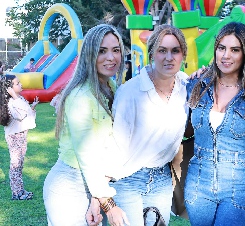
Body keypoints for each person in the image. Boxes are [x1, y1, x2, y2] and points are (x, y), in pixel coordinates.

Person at [185, 22, 245, 225]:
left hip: (239, 185)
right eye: (221, 48)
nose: (226, 55)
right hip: (198, 183)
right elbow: (183, 131)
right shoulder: (196, 85)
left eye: (235, 50)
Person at [43, 24, 128, 225]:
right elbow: (87, 155)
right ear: (89, 54)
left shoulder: (110, 87)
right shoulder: (80, 96)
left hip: (95, 184)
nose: (111, 57)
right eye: (102, 51)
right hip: (70, 187)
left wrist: (96, 198)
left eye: (116, 50)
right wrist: (109, 205)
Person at [107, 24, 189, 226]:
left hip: (161, 179)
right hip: (127, 179)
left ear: (183, 55)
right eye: (162, 50)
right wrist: (104, 198)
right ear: (152, 53)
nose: (169, 57)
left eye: (175, 51)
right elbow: (115, 144)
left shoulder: (187, 86)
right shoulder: (130, 92)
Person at [0, 74, 39, 200]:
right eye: (17, 83)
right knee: (16, 165)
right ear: (9, 88)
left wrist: (32, 108)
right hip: (15, 137)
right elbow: (21, 115)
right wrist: (15, 96)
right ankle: (17, 193)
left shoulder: (17, 99)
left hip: (21, 136)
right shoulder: (12, 101)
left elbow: (26, 113)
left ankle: (21, 191)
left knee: (19, 164)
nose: (20, 84)